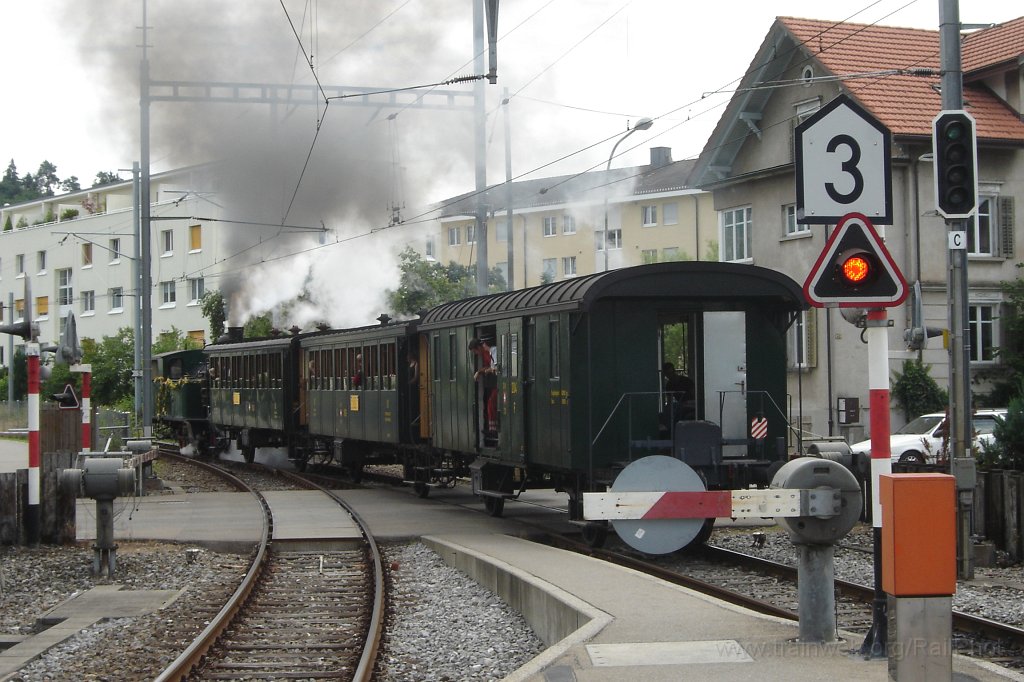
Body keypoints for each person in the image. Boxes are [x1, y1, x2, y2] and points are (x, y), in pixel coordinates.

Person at [469, 338, 499, 441]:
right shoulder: (487, 353)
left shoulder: (493, 351)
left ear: (479, 347)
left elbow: (496, 367)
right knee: (490, 405)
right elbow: (488, 367)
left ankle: (494, 430)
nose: (476, 354)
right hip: (495, 383)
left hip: (499, 383)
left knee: (491, 404)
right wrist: (480, 371)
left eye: (475, 351)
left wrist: (488, 370)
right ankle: (492, 429)